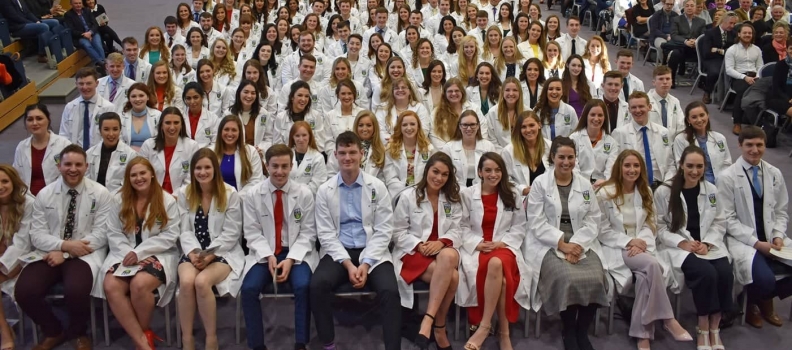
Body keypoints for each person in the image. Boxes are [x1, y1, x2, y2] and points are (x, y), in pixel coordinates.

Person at [14, 145, 112, 350]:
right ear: (59, 166)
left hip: (86, 253)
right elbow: (37, 234)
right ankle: (54, 331)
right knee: (24, 291)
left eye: (78, 164)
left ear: (87, 166)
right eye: (68, 164)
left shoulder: (101, 193)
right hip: (50, 251)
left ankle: (79, 332)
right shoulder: (45, 194)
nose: (73, 169)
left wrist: (67, 253)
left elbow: (102, 234)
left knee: (76, 290)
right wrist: (63, 246)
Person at [311, 131, 401, 350]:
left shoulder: (377, 186)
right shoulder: (325, 190)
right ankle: (328, 342)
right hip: (339, 251)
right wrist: (349, 265)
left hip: (371, 250)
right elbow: (326, 234)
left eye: (352, 152)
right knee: (317, 285)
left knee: (390, 290)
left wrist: (366, 263)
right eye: (342, 153)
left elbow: (383, 229)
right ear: (335, 155)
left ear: (362, 154)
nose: (347, 157)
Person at [596, 150, 692, 350]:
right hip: (617, 246)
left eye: (636, 166)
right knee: (652, 265)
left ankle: (642, 335)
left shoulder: (646, 191)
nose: (632, 170)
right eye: (627, 166)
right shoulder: (605, 193)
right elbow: (602, 230)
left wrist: (641, 240)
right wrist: (630, 241)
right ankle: (668, 317)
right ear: (619, 168)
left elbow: (651, 224)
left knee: (644, 279)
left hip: (642, 245)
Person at [524, 137, 609, 350]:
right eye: (561, 157)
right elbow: (535, 221)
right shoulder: (540, 184)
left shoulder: (584, 185)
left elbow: (593, 218)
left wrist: (577, 245)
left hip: (582, 239)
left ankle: (582, 330)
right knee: (566, 277)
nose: (566, 162)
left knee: (596, 277)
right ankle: (569, 329)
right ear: (552, 157)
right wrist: (562, 245)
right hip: (549, 240)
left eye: (570, 157)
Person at [654, 146, 733, 350]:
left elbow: (719, 222)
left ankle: (715, 326)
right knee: (706, 274)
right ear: (681, 165)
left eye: (699, 166)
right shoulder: (665, 191)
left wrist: (707, 243)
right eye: (690, 166)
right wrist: (682, 243)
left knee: (724, 272)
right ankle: (703, 326)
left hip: (706, 245)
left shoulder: (711, 191)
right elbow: (659, 226)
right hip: (678, 247)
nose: (694, 171)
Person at [96, 157, 180, 350]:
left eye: (143, 173)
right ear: (128, 178)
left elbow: (170, 235)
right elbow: (113, 231)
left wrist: (140, 252)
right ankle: (142, 340)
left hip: (159, 253)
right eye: (133, 175)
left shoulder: (166, 200)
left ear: (152, 174)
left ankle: (141, 335)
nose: (139, 178)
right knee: (111, 285)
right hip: (123, 253)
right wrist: (129, 253)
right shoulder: (118, 199)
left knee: (139, 284)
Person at [239, 143, 317, 350]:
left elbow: (309, 233)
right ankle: (257, 345)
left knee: (303, 286)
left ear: (292, 166)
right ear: (266, 166)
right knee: (248, 289)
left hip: (296, 253)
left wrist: (291, 259)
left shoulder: (305, 193)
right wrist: (268, 256)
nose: (279, 172)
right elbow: (252, 232)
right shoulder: (253, 194)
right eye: (275, 166)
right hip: (265, 253)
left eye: (284, 166)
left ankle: (301, 342)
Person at [718, 126, 792, 328]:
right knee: (766, 280)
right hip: (743, 240)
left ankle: (759, 298)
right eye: (749, 145)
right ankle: (753, 303)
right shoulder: (727, 177)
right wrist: (757, 243)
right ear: (740, 145)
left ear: (765, 146)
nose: (754, 150)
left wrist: (777, 235)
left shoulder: (774, 173)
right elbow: (727, 219)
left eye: (759, 145)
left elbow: (781, 210)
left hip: (771, 237)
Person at [456, 151, 529, 350]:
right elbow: (460, 226)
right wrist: (476, 243)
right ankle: (504, 334)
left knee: (496, 263)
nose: (493, 174)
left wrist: (501, 243)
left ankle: (484, 325)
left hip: (504, 246)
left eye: (497, 170)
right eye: (488, 170)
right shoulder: (467, 195)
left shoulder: (511, 194)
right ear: (479, 172)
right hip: (477, 248)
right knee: (503, 281)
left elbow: (519, 226)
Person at [174, 149, 243, 350]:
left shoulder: (230, 193)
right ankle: (187, 339)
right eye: (198, 168)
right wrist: (194, 253)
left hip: (222, 252)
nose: (202, 172)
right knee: (187, 282)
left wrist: (211, 255)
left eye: (207, 167)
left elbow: (232, 233)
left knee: (202, 282)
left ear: (215, 169)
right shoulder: (185, 193)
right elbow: (183, 230)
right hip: (193, 252)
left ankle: (211, 338)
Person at [391, 152, 461, 350]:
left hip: (444, 251)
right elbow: (397, 232)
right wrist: (418, 245)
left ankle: (427, 320)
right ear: (427, 170)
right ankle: (439, 327)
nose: (439, 178)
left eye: (444, 175)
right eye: (435, 172)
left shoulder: (452, 198)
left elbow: (458, 229)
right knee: (453, 278)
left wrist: (441, 242)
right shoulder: (409, 196)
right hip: (414, 252)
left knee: (447, 255)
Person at [0, 165, 35, 350]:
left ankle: (5, 334)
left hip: (26, 260)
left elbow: (23, 245)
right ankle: (5, 329)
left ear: (13, 182)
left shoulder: (27, 204)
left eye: (4, 181)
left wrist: (5, 268)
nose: (0, 186)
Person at [612, 91, 676, 189]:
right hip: (633, 186)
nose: (638, 110)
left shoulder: (663, 132)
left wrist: (666, 185)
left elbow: (671, 163)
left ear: (649, 107)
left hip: (660, 185)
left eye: (641, 106)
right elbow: (615, 164)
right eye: (633, 107)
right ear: (629, 109)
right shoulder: (619, 133)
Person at [13, 103, 72, 196]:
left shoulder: (64, 145)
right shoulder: (21, 147)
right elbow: (16, 177)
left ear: (48, 120)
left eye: (39, 118)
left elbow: (70, 175)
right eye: (30, 119)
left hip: (57, 197)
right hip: (28, 200)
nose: (35, 123)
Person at [139, 107, 200, 194]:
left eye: (176, 123)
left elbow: (191, 178)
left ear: (181, 125)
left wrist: (175, 197)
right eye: (168, 123)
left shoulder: (192, 146)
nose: (172, 127)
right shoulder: (148, 145)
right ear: (161, 125)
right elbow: (141, 174)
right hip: (152, 195)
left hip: (181, 197)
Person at [672, 101, 732, 184]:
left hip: (721, 184)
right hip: (695, 184)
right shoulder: (681, 139)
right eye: (694, 117)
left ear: (708, 115)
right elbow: (680, 166)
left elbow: (727, 164)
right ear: (688, 120)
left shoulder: (719, 138)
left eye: (702, 115)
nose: (699, 120)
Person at [59, 67, 116, 150]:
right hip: (74, 155)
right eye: (81, 84)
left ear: (96, 83)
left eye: (89, 83)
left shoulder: (108, 108)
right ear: (76, 84)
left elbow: (112, 136)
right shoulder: (70, 107)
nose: (85, 87)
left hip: (99, 154)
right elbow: (63, 135)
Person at [384, 111, 437, 197]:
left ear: (418, 126)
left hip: (423, 194)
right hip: (399, 194)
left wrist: (419, 191)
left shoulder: (428, 148)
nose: (409, 128)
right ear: (399, 127)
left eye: (412, 124)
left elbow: (431, 174)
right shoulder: (390, 150)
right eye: (404, 125)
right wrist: (407, 194)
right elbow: (391, 179)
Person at [568, 99, 620, 188]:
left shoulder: (611, 143)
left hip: (602, 187)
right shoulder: (574, 139)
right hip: (578, 186)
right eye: (592, 115)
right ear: (586, 116)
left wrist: (603, 184)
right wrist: (586, 185)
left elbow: (610, 171)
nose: (596, 119)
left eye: (600, 115)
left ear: (605, 117)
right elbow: (573, 168)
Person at [500, 111, 551, 197]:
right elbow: (504, 179)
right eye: (523, 127)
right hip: (521, 200)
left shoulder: (550, 146)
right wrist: (522, 190)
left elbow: (556, 173)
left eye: (531, 125)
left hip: (548, 197)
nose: (528, 130)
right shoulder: (508, 151)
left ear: (539, 125)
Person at [725, 22, 763, 135]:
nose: (747, 35)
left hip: (755, 76)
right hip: (738, 77)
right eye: (745, 33)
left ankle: (760, 120)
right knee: (744, 90)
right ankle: (737, 122)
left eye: (750, 33)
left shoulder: (757, 49)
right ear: (739, 34)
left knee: (768, 89)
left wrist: (757, 76)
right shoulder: (732, 50)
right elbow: (729, 70)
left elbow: (760, 66)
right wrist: (744, 77)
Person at [85, 112, 138, 193]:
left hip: (120, 200)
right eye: (106, 129)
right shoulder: (89, 153)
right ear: (100, 131)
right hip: (94, 198)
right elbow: (86, 181)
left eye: (115, 129)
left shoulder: (131, 155)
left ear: (120, 130)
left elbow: (128, 184)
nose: (111, 134)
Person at [326, 111, 387, 180]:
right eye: (361, 125)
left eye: (368, 125)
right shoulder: (342, 146)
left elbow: (383, 178)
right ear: (356, 126)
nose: (364, 129)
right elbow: (331, 173)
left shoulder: (381, 150)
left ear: (374, 127)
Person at [442, 110, 497, 187]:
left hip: (483, 189)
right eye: (465, 125)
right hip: (455, 190)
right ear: (459, 126)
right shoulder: (448, 148)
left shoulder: (488, 147)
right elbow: (445, 173)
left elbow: (493, 172)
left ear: (478, 126)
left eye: (472, 125)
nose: (468, 128)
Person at [269, 80, 327, 153]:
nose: (303, 99)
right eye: (300, 95)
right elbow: (277, 144)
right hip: (287, 158)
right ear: (292, 97)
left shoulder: (315, 116)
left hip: (311, 157)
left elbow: (320, 144)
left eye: (306, 96)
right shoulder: (281, 117)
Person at [212, 115, 264, 192]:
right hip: (216, 199)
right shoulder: (211, 152)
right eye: (226, 129)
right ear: (220, 131)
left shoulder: (251, 151)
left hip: (243, 200)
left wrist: (236, 198)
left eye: (234, 130)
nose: (230, 134)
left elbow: (256, 180)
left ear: (240, 132)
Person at [375, 77, 431, 142]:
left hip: (414, 146)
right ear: (392, 92)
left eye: (403, 87)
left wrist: (407, 142)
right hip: (389, 146)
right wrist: (396, 142)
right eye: (397, 88)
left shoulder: (419, 107)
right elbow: (380, 131)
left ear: (410, 91)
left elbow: (424, 130)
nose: (400, 90)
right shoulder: (382, 108)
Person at [665, 0, 706, 88]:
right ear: (684, 7)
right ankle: (671, 79)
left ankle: (702, 81)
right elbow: (674, 35)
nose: (689, 8)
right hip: (681, 46)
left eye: (692, 6)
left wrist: (696, 41)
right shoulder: (676, 19)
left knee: (707, 53)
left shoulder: (701, 21)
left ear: (695, 8)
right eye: (687, 6)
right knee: (675, 54)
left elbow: (703, 35)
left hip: (695, 48)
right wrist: (685, 41)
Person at [223, 79, 271, 151]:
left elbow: (268, 138)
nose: (249, 96)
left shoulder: (264, 114)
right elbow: (223, 137)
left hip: (257, 155)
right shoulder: (228, 114)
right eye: (246, 92)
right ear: (239, 93)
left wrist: (260, 149)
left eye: (253, 93)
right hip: (235, 153)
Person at [119, 83, 163, 151]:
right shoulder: (121, 117)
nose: (137, 99)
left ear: (148, 97)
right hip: (128, 156)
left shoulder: (158, 116)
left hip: (151, 156)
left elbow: (160, 140)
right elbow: (119, 141)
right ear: (129, 99)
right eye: (133, 96)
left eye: (141, 96)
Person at [486, 77, 525, 150]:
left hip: (523, 154)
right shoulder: (493, 112)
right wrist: (505, 155)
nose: (511, 93)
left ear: (520, 92)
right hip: (499, 155)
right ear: (502, 92)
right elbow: (492, 140)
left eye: (515, 90)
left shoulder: (527, 112)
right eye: (507, 90)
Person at [288, 121, 328, 193]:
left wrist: (295, 190)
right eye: (297, 136)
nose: (301, 139)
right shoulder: (286, 155)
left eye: (304, 135)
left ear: (309, 136)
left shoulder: (318, 157)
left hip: (309, 199)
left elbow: (318, 184)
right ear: (292, 137)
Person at [63, 0, 105, 66]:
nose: (78, 5)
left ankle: (101, 64)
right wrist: (83, 34)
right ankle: (102, 64)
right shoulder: (68, 15)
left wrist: (90, 32)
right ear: (71, 4)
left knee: (98, 45)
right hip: (80, 36)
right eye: (76, 3)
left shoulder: (87, 10)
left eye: (80, 3)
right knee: (87, 45)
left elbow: (95, 24)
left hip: (92, 33)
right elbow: (72, 30)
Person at [647, 65, 685, 137]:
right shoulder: (645, 102)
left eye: (668, 79)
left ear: (671, 82)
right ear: (654, 82)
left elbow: (681, 126)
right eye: (661, 79)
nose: (665, 82)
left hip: (672, 144)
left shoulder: (675, 101)